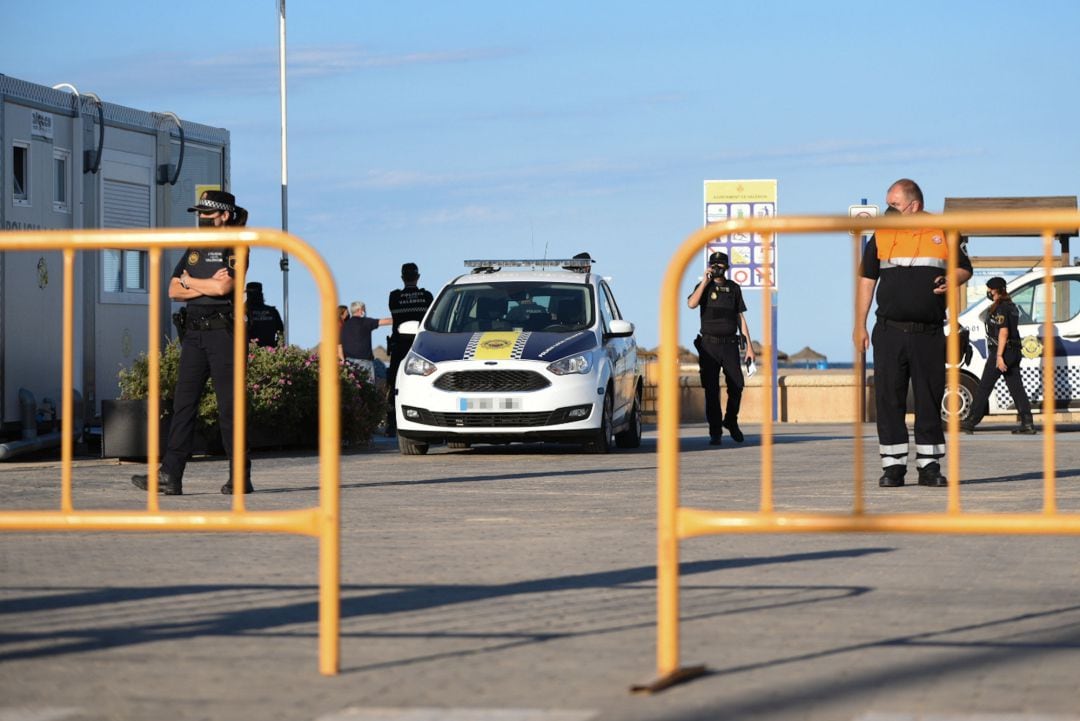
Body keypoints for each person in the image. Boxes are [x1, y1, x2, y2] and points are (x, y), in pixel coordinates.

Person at [132, 189, 252, 496]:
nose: (202, 218)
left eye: (208, 214)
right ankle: (170, 475)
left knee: (230, 408)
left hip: (224, 333)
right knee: (183, 405)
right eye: (199, 213)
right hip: (194, 334)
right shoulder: (195, 246)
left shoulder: (237, 244)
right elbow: (172, 290)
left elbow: (224, 286)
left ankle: (239, 477)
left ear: (224, 215)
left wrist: (191, 281)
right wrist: (201, 285)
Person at [855, 178, 972, 488]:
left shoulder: (943, 230)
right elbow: (867, 281)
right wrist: (859, 325)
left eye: (894, 205)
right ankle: (892, 467)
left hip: (929, 333)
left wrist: (953, 278)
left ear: (914, 206)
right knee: (888, 399)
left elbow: (964, 268)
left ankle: (929, 466)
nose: (887, 211)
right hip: (888, 332)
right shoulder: (880, 234)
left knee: (929, 399)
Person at [688, 251, 755, 445]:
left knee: (737, 385)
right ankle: (715, 431)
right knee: (711, 390)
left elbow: (740, 318)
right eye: (714, 264)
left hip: (730, 344)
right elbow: (691, 304)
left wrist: (749, 347)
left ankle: (731, 420)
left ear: (726, 267)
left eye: (720, 265)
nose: (717, 268)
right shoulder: (704, 287)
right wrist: (704, 281)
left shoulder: (734, 288)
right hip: (709, 345)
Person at [961, 277, 1036, 435]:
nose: (988, 291)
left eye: (989, 289)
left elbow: (1003, 332)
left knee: (984, 387)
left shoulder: (1001, 308)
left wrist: (1000, 356)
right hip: (1014, 351)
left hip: (1003, 351)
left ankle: (971, 421)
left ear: (996, 290)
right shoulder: (1012, 306)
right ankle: (1027, 423)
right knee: (1016, 388)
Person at [385, 263, 433, 436]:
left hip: (399, 346)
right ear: (418, 277)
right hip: (422, 347)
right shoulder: (426, 296)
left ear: (402, 278)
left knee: (394, 384)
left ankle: (392, 423)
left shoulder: (394, 297)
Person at [339, 301, 392, 379]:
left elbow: (339, 347)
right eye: (364, 309)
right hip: (364, 363)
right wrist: (400, 319)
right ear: (360, 310)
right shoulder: (365, 322)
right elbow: (386, 321)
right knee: (370, 387)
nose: (365, 311)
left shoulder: (344, 326)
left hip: (349, 363)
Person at [245, 281, 284, 348]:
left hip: (250, 353)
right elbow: (281, 332)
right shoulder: (272, 311)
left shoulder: (243, 312)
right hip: (268, 354)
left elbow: (281, 332)